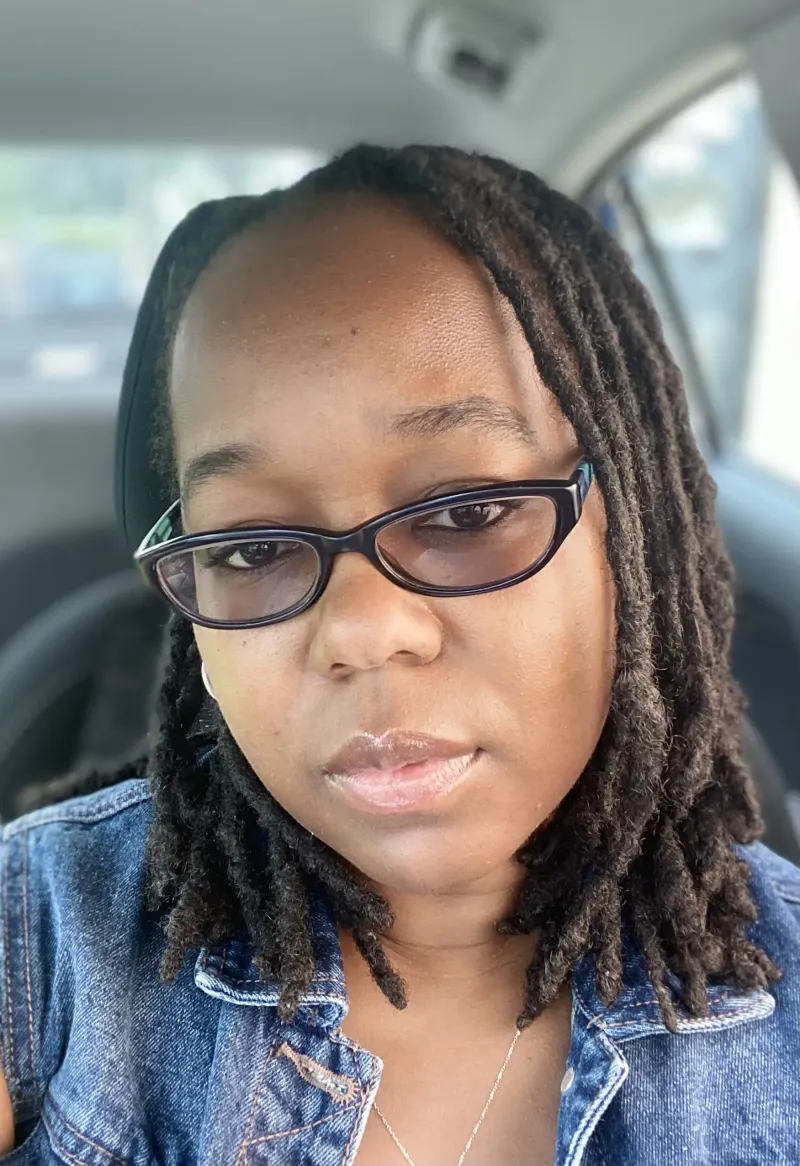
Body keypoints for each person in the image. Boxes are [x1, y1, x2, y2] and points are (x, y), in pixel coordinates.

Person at [0, 145, 798, 1166]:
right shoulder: (45, 933)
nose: (363, 629)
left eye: (466, 510)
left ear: (632, 540)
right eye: (250, 547)